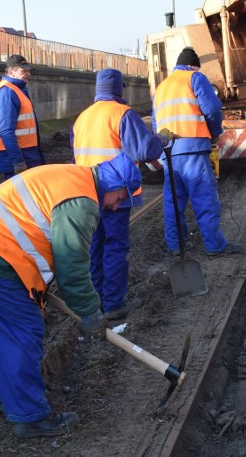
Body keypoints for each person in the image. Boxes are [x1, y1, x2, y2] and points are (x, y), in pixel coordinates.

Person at [0, 153, 141, 438]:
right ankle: (30, 417)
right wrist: (90, 313)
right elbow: (72, 268)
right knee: (23, 332)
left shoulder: (76, 177)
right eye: (120, 199)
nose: (115, 207)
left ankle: (9, 397)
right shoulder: (82, 203)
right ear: (114, 185)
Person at [70, 68, 173, 320]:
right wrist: (161, 138)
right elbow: (144, 151)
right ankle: (114, 303)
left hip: (87, 191)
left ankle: (96, 301)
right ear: (120, 89)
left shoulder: (82, 117)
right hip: (115, 193)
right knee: (115, 247)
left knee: (94, 247)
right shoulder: (122, 114)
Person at [151, 46, 243, 257]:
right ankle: (214, 245)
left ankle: (176, 245)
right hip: (192, 148)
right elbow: (212, 109)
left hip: (169, 152)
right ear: (193, 65)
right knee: (204, 199)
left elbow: (156, 122)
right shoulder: (195, 78)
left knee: (173, 201)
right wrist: (215, 132)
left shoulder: (161, 87)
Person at [0, 54, 46, 179]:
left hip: (27, 156)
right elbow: (5, 131)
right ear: (11, 71)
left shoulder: (17, 90)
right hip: (18, 160)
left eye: (28, 71)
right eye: (23, 70)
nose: (28, 74)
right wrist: (18, 162)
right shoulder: (7, 93)